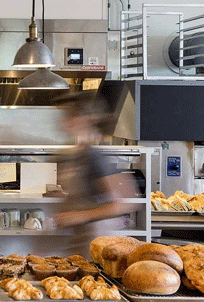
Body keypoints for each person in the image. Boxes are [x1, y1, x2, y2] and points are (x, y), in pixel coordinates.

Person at [52, 91, 142, 256]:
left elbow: (125, 202)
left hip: (97, 243)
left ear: (85, 119)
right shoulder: (79, 153)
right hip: (81, 239)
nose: (63, 121)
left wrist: (78, 216)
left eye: (69, 115)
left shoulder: (95, 157)